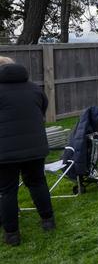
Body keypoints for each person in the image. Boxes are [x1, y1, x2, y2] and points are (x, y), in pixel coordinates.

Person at [0, 56, 55, 246]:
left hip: (5, 151)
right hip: (35, 147)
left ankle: (12, 234)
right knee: (38, 182)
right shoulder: (34, 89)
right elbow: (42, 110)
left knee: (8, 190)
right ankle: (48, 221)